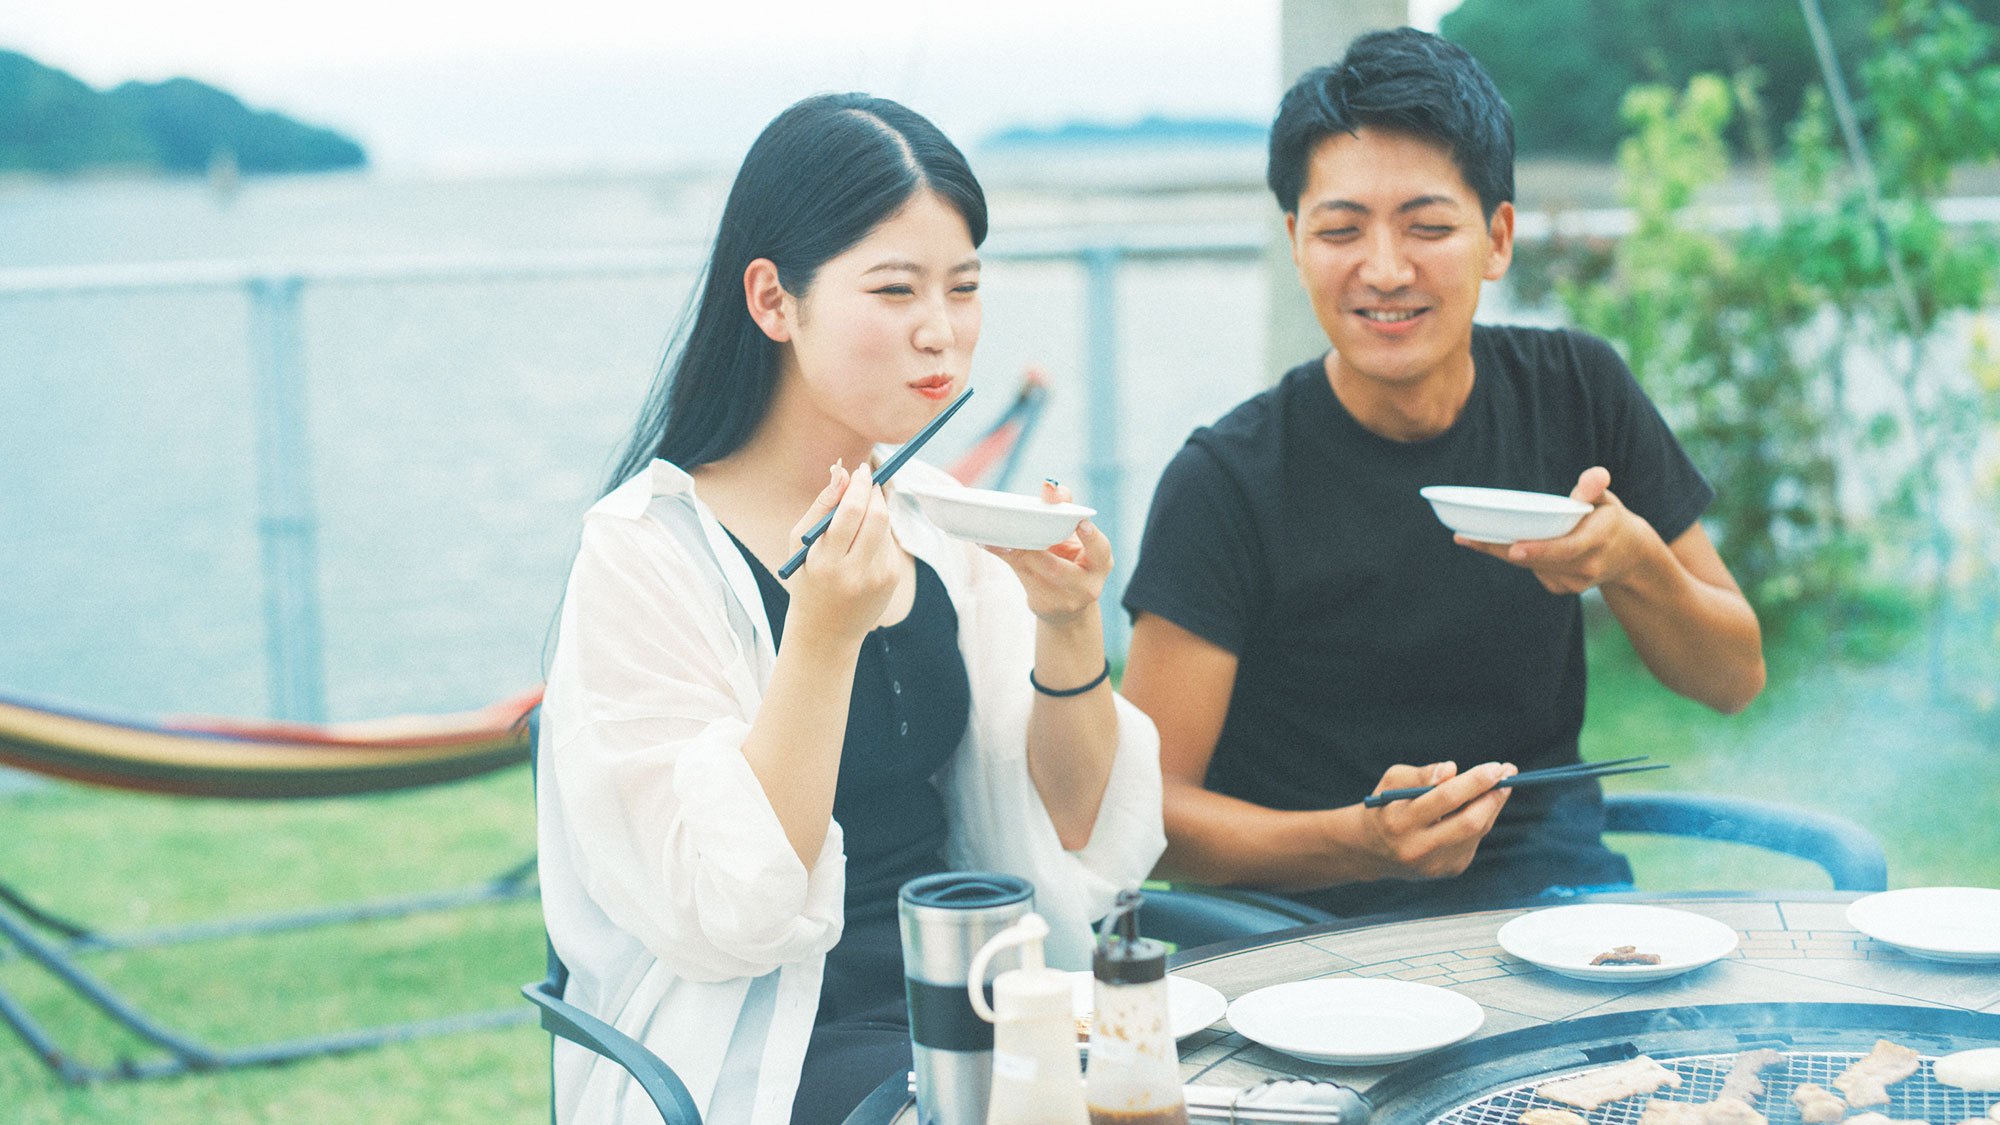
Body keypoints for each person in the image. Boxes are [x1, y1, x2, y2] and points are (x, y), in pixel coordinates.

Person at [535, 93, 1166, 1125]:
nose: (940, 332)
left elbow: (1076, 830)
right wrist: (820, 635)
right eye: (894, 289)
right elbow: (725, 911)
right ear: (773, 301)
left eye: (963, 289)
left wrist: (1066, 631)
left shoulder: (938, 525)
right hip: (760, 1041)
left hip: (973, 998)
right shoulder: (643, 552)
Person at [1119, 28, 1765, 920]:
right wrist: (1357, 840)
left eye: (1427, 226)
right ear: (1297, 243)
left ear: (1497, 237)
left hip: (1553, 904)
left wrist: (1632, 561)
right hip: (1302, 933)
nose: (1385, 270)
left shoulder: (1576, 392)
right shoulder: (1226, 481)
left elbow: (1732, 677)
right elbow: (1144, 810)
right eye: (1341, 230)